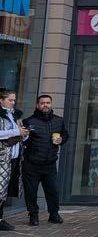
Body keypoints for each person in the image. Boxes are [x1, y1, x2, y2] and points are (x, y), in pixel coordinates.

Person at [21, 94, 68, 226]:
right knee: (31, 192)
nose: (45, 105)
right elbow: (23, 141)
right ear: (37, 105)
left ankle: (54, 214)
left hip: (50, 163)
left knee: (53, 191)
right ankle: (33, 215)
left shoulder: (58, 120)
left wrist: (61, 140)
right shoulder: (29, 121)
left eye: (48, 103)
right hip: (32, 163)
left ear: (51, 104)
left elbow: (65, 134)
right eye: (42, 103)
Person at [0, 89, 28, 231]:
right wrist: (17, 132)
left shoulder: (14, 115)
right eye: (10, 100)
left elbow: (19, 135)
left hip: (13, 158)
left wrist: (24, 134)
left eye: (14, 100)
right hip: (2, 158)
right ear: (1, 100)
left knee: (4, 190)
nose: (13, 102)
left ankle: (0, 218)